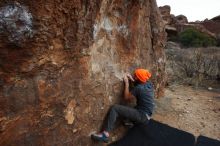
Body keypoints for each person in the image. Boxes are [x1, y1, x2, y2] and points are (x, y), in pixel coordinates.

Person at [91, 69, 155, 143]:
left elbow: (126, 97)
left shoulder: (139, 88)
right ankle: (130, 121)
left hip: (142, 116)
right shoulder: (149, 84)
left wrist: (127, 83)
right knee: (131, 109)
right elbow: (139, 84)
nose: (134, 76)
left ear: (138, 78)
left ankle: (105, 134)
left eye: (135, 76)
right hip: (147, 115)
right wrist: (133, 79)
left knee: (115, 108)